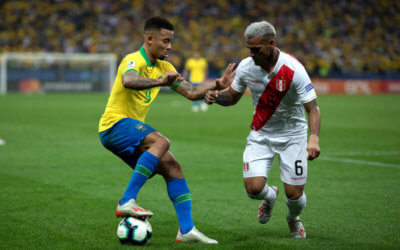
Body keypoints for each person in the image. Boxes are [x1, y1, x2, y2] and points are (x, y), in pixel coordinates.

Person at [98, 17, 234, 244]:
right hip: (114, 124)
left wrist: (216, 85)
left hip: (129, 130)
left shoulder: (166, 67)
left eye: (171, 41)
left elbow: (191, 92)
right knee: (161, 141)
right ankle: (126, 201)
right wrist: (162, 82)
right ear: (149, 39)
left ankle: (186, 230)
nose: (169, 46)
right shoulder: (133, 60)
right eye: (165, 41)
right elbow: (128, 80)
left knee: (173, 167)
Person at [206, 21, 321, 239]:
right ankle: (270, 196)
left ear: (271, 43)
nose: (251, 54)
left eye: (255, 49)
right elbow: (232, 97)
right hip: (261, 134)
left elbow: (312, 108)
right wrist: (216, 97)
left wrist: (313, 138)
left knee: (294, 196)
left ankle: (294, 218)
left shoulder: (293, 69)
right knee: (253, 189)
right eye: (248, 48)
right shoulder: (247, 67)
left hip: (293, 136)